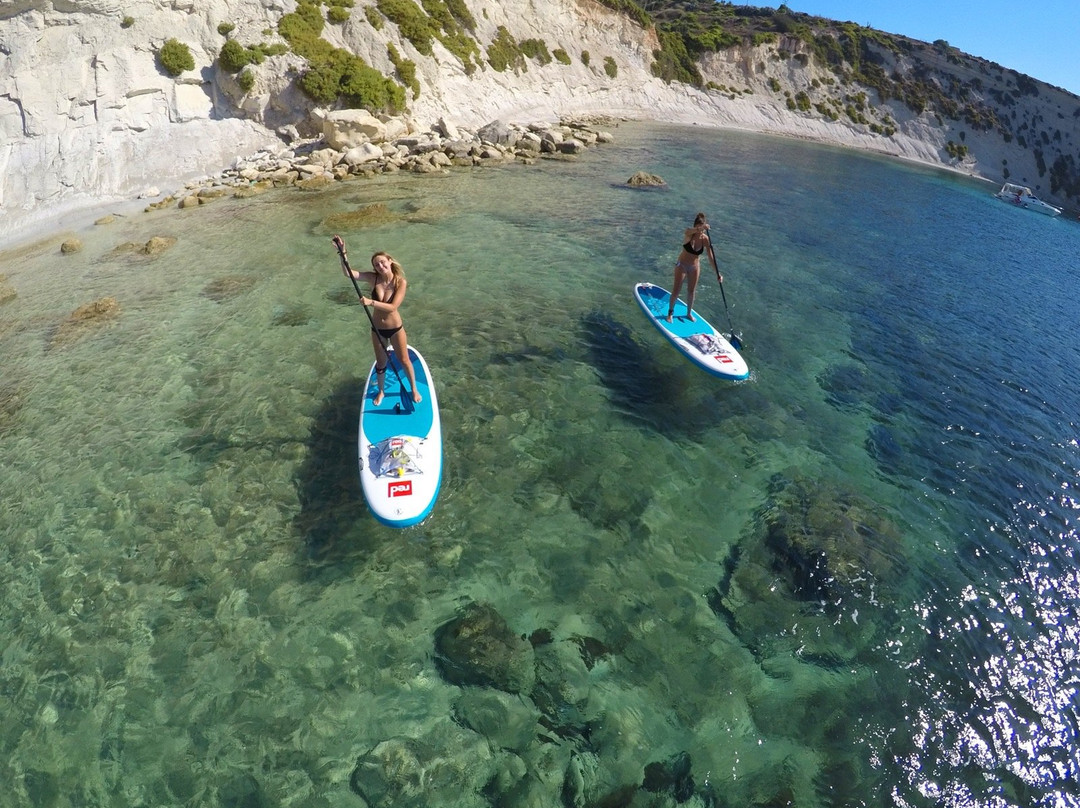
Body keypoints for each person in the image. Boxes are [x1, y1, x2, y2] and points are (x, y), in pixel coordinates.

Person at [346, 250, 422, 405]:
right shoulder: (373, 278)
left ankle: (414, 389)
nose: (380, 266)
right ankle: (381, 392)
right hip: (377, 329)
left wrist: (371, 302)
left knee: (404, 360)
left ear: (390, 261)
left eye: (382, 262)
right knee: (380, 363)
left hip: (395, 328)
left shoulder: (401, 282)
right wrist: (343, 255)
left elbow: (393, 307)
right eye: (376, 265)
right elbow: (349, 274)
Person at [667, 212, 720, 323]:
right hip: (682, 265)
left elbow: (711, 258)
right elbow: (688, 231)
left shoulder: (705, 239)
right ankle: (670, 313)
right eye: (698, 227)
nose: (701, 230)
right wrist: (699, 229)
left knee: (691, 291)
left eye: (702, 227)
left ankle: (689, 313)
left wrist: (717, 274)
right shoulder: (688, 234)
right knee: (676, 290)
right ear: (695, 226)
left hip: (694, 266)